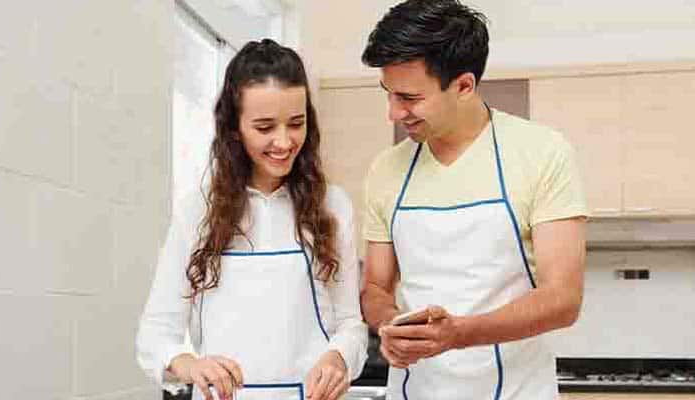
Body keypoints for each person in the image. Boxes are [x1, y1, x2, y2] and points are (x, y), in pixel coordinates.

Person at [359, 1, 588, 398]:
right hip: (414, 391)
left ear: (464, 85)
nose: (394, 113)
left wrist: (457, 334)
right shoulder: (387, 169)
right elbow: (376, 287)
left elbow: (562, 298)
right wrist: (390, 326)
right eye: (388, 94)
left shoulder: (542, 153)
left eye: (409, 98)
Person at [136, 39, 368, 400]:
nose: (284, 141)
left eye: (296, 123)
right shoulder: (197, 211)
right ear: (234, 128)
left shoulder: (332, 206)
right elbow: (154, 335)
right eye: (264, 127)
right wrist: (189, 364)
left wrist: (339, 358)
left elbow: (350, 324)